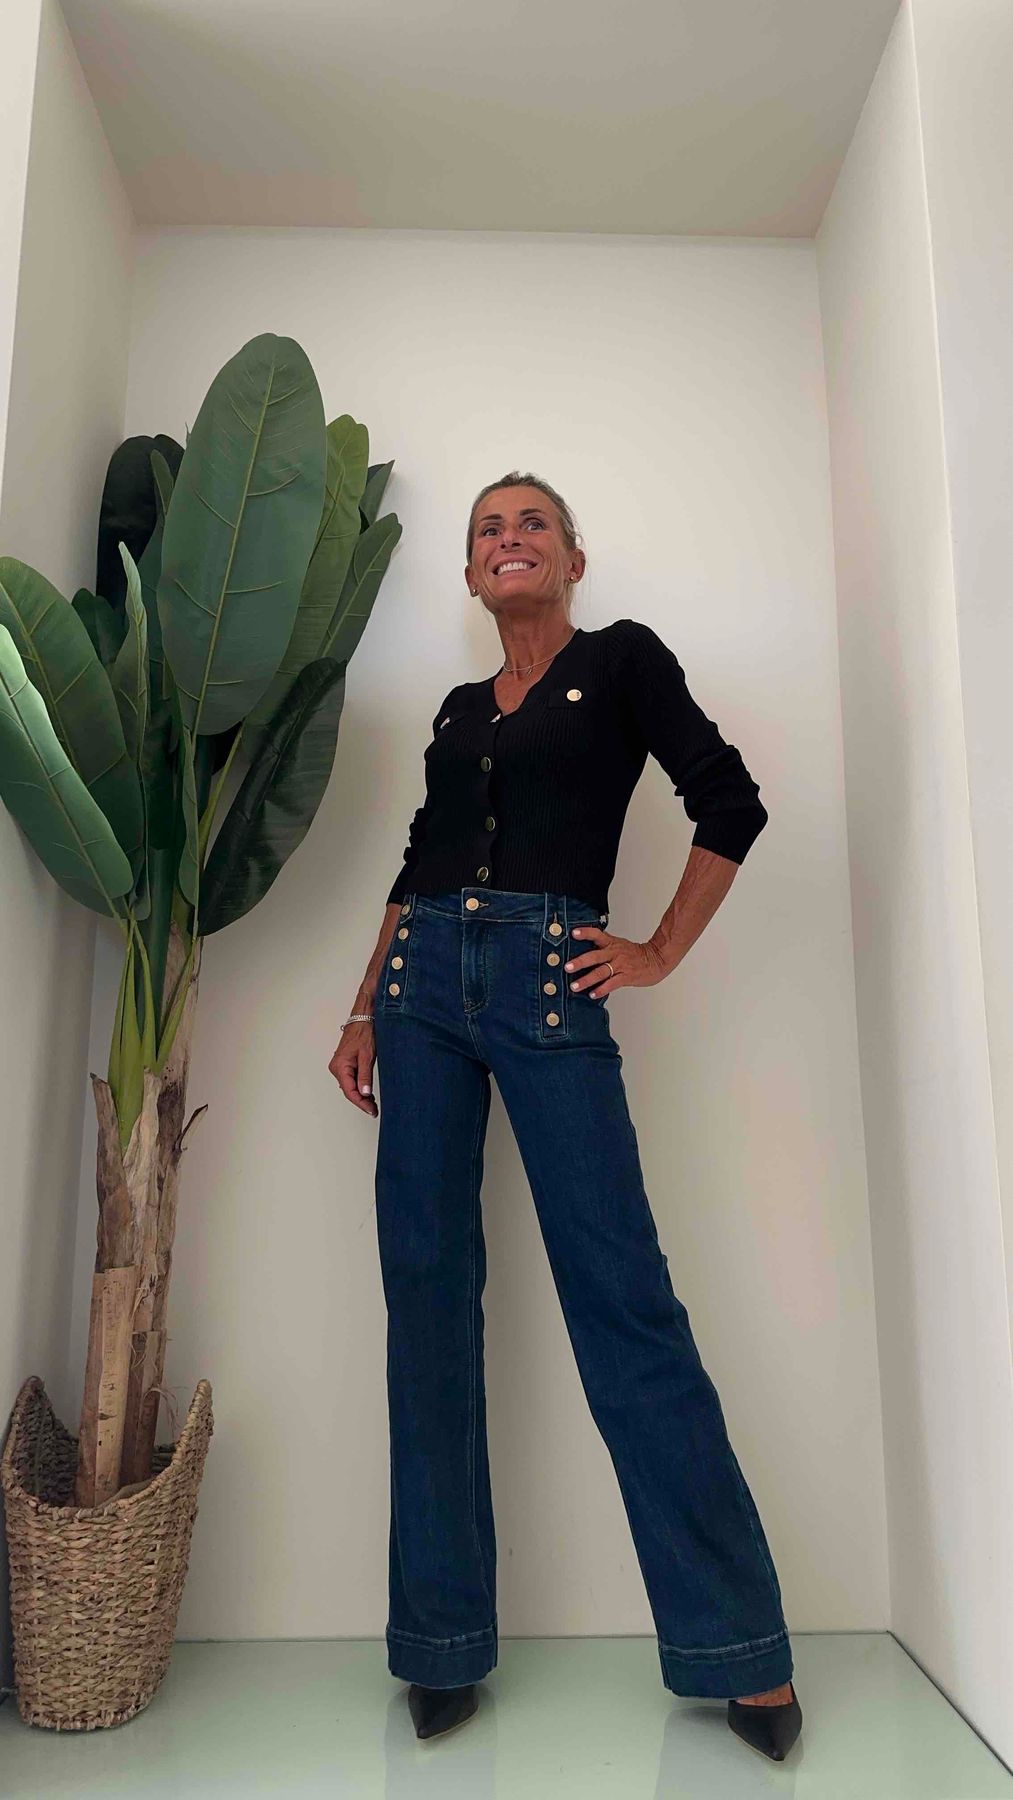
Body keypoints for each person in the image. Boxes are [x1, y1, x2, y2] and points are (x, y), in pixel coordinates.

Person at [328, 473, 803, 1763]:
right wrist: (366, 1003)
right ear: (470, 574)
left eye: (531, 522)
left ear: (573, 558)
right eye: (488, 529)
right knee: (428, 1301)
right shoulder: (457, 709)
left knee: (623, 1299)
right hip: (423, 989)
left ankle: (740, 1649)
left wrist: (655, 951)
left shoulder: (623, 661)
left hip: (551, 983)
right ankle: (439, 1641)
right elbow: (422, 859)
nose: (509, 539)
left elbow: (732, 803)